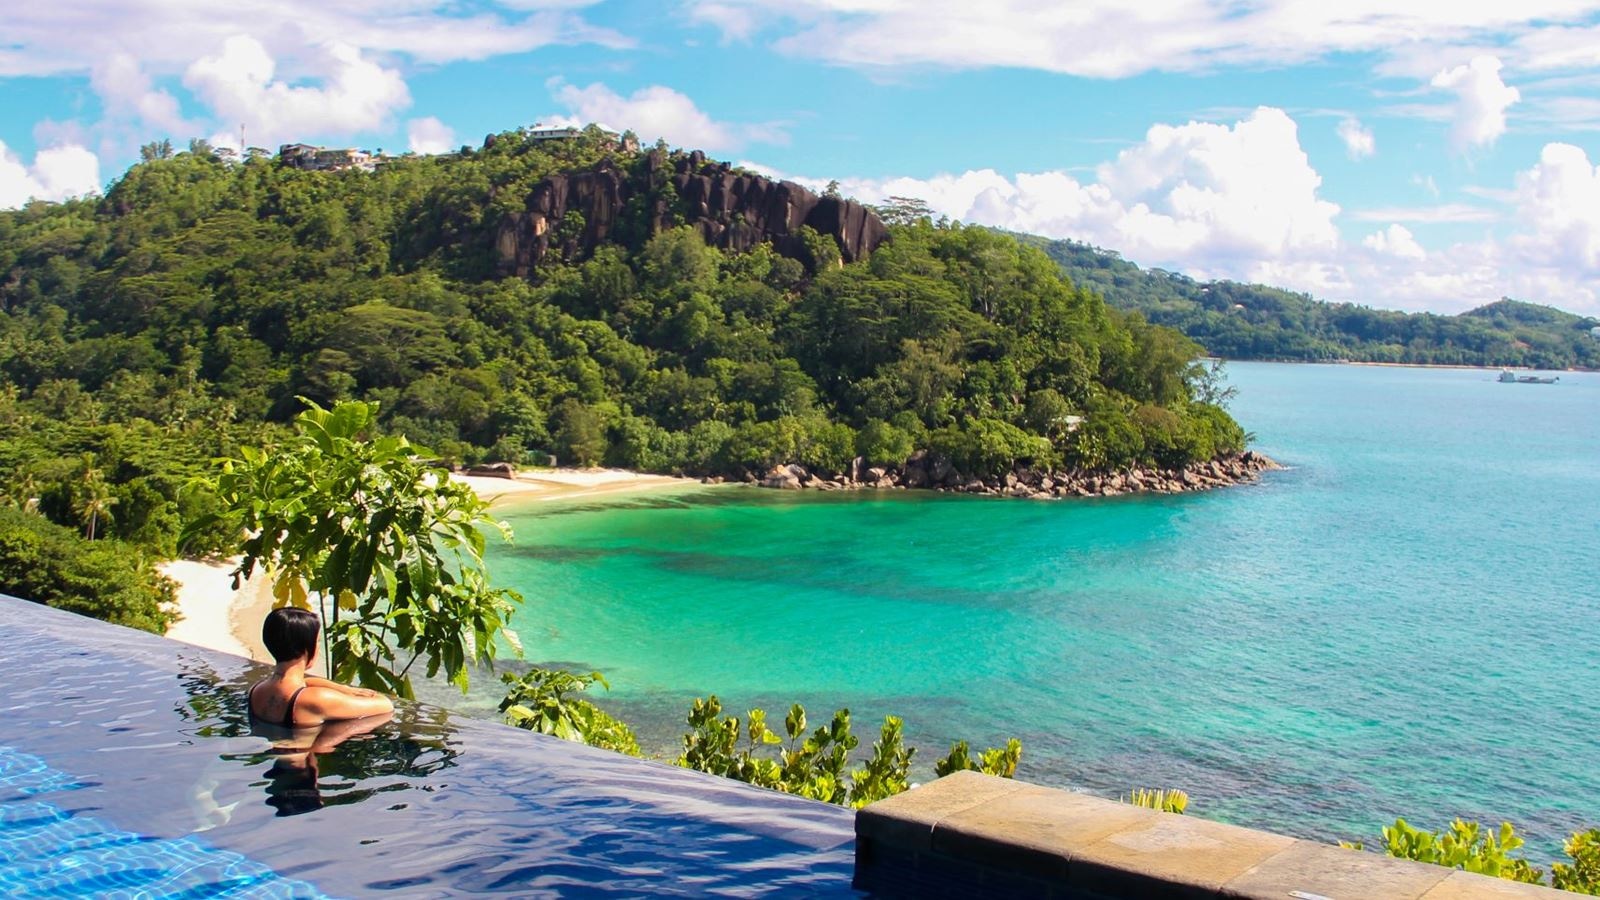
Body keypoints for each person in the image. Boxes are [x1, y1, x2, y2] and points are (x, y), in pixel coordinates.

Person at [248, 607, 393, 728]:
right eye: (317, 641)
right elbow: (385, 705)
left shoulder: (256, 690)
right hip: (302, 761)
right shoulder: (316, 699)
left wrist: (345, 689)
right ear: (306, 648)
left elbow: (302, 684)